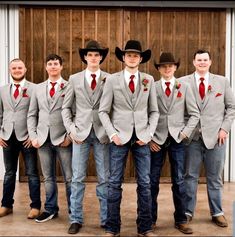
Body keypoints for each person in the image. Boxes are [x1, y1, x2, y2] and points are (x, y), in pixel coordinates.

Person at [99, 40, 159, 237]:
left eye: (136, 55)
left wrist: (149, 134)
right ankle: (112, 228)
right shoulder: (112, 80)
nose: (132, 58)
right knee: (114, 183)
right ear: (123, 58)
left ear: (141, 59)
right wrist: (113, 134)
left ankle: (145, 228)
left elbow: (154, 111)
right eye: (129, 55)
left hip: (142, 138)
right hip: (119, 139)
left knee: (145, 183)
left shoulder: (148, 80)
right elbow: (103, 111)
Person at [181, 49, 235, 227]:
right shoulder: (183, 82)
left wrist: (224, 129)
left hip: (216, 138)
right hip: (192, 139)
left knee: (215, 177)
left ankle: (217, 212)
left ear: (210, 62)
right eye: (199, 60)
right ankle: (187, 212)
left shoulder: (222, 82)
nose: (202, 62)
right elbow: (177, 110)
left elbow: (231, 108)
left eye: (205, 60)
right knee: (190, 176)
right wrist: (183, 131)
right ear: (194, 62)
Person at [62, 40, 110, 234]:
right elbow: (66, 107)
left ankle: (106, 219)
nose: (93, 58)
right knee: (77, 178)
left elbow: (113, 107)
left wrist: (110, 130)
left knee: (104, 179)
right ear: (85, 57)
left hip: (102, 134)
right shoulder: (74, 79)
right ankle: (75, 219)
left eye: (96, 55)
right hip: (80, 134)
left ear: (101, 58)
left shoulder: (110, 78)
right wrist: (71, 130)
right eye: (90, 55)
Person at [150, 52, 200, 234]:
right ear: (159, 69)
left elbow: (194, 114)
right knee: (152, 181)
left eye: (170, 65)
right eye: (163, 66)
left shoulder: (184, 87)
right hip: (156, 139)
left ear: (175, 67)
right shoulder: (152, 87)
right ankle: (151, 219)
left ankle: (181, 219)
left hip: (178, 139)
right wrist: (149, 138)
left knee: (179, 180)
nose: (167, 68)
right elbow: (145, 114)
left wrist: (186, 132)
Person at [27, 54, 72, 223]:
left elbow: (74, 113)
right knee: (48, 177)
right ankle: (51, 209)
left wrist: (69, 136)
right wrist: (33, 136)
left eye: (56, 64)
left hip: (63, 139)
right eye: (50, 64)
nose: (53, 66)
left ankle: (73, 211)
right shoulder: (37, 89)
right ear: (46, 67)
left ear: (61, 67)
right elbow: (32, 115)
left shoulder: (69, 87)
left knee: (69, 177)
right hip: (42, 139)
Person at [0, 58, 41, 219]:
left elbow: (39, 114)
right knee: (10, 173)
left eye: (19, 68)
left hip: (27, 137)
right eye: (14, 68)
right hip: (7, 137)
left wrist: (35, 135)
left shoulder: (35, 89)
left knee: (32, 172)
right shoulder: (2, 90)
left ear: (25, 69)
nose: (17, 70)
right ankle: (6, 205)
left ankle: (35, 206)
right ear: (10, 70)